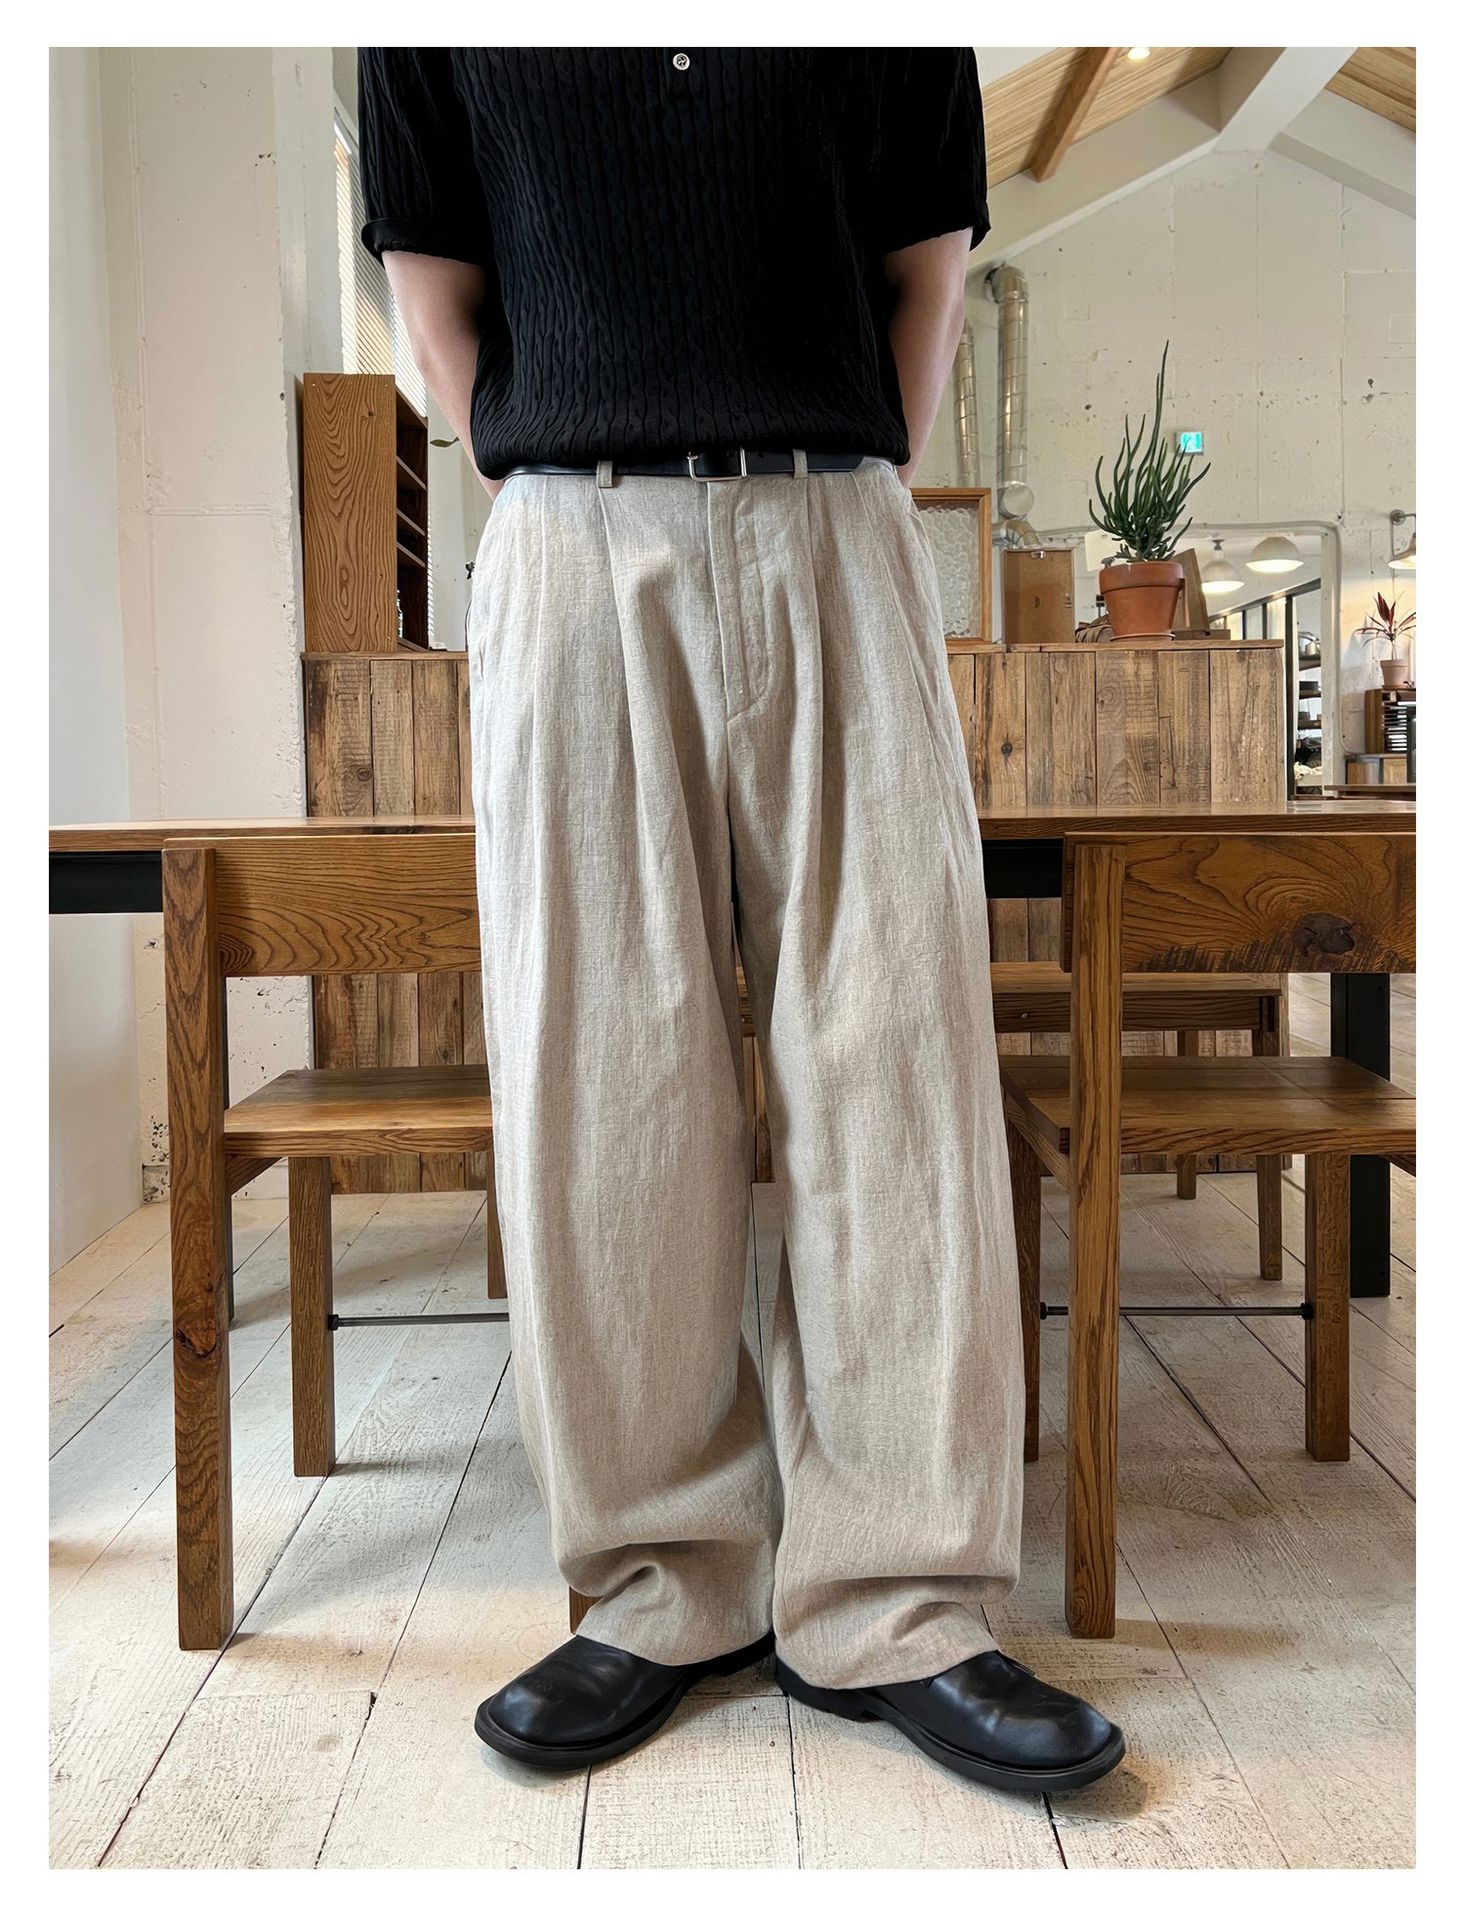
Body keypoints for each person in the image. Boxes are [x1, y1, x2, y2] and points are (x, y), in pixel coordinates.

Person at [359, 47, 1123, 1794]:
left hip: (835, 518)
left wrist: (829, 483)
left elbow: (926, 273)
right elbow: (437, 304)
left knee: (897, 1055)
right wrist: (572, 478)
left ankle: (901, 1599)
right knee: (603, 1075)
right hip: (572, 538)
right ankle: (663, 1580)